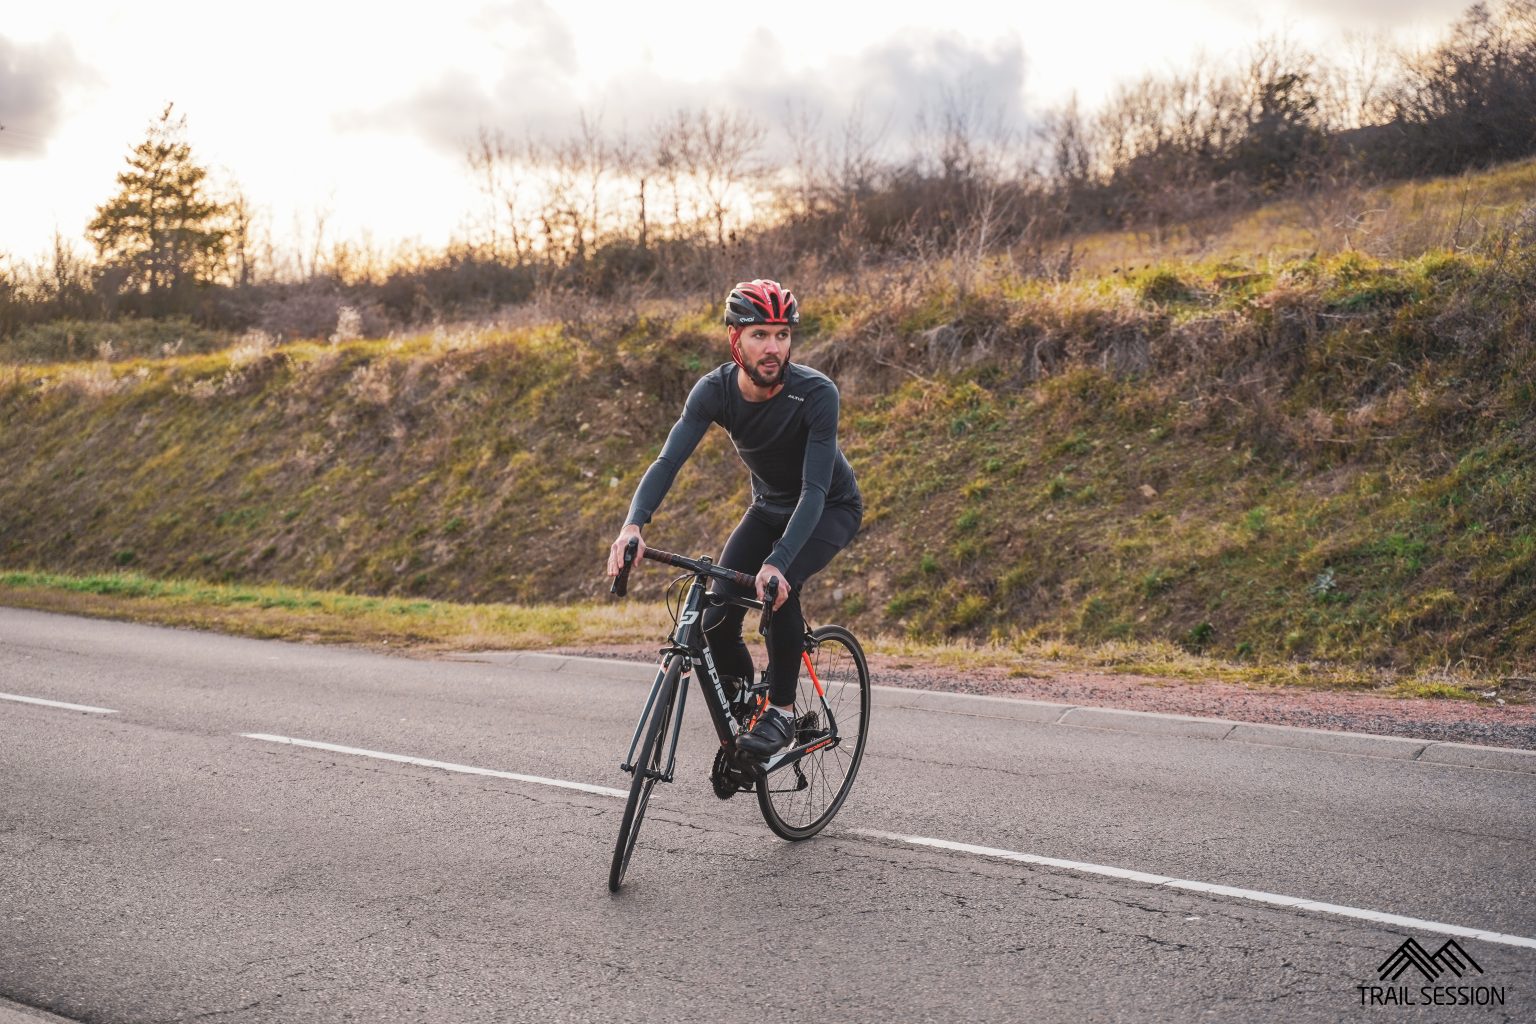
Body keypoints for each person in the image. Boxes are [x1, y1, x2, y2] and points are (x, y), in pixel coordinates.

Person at [606, 278, 863, 761]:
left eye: (782, 335)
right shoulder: (715, 391)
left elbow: (814, 490)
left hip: (827, 508)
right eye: (760, 334)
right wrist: (633, 525)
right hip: (768, 508)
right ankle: (746, 713)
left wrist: (778, 563)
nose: (773, 348)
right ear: (734, 339)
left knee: (779, 588)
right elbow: (667, 463)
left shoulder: (816, 394)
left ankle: (782, 712)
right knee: (717, 618)